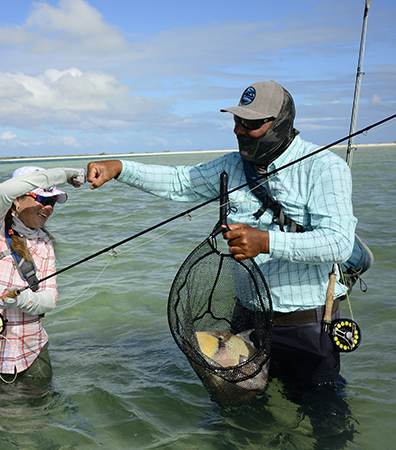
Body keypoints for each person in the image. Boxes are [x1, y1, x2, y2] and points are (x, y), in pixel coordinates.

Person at [86, 81, 357, 391]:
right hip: (247, 318)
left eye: (251, 124)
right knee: (243, 417)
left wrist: (266, 241)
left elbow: (339, 243)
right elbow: (181, 182)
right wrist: (120, 168)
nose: (238, 130)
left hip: (306, 324)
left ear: (280, 124)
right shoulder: (232, 165)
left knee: (322, 415)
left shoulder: (324, 168)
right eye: (237, 121)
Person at [0, 165, 85, 385]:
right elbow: (2, 191)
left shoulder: (44, 244)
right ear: (17, 200)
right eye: (43, 199)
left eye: (53, 202)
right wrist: (64, 175)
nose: (49, 207)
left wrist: (23, 300)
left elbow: (49, 300)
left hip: (32, 355)